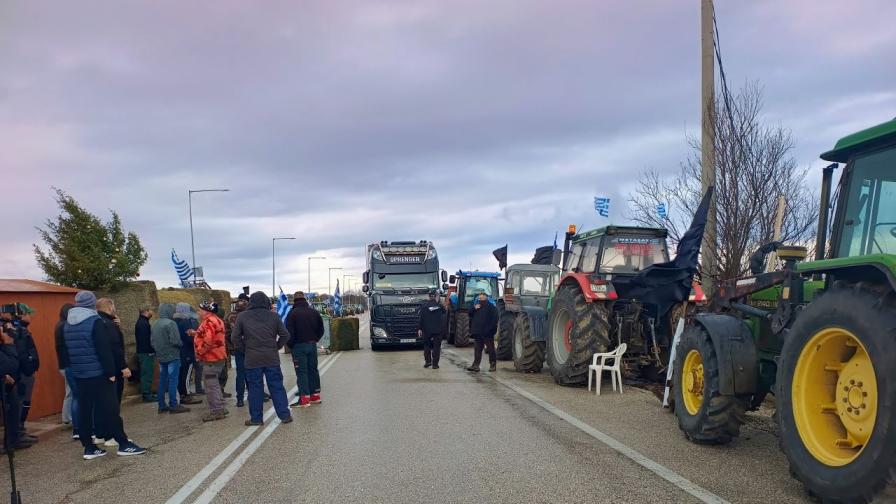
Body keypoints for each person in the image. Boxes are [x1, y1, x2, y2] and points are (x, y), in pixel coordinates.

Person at [64, 291, 146, 459]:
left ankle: (89, 447)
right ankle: (123, 443)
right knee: (110, 409)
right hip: (98, 373)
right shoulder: (95, 322)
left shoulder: (68, 324)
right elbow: (103, 349)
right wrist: (111, 373)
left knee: (85, 411)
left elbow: (68, 350)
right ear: (91, 304)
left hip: (80, 373)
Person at [231, 291, 292, 426]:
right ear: (266, 302)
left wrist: (244, 349)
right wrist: (276, 346)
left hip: (252, 357)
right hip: (271, 357)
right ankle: (284, 415)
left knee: (255, 388)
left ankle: (256, 418)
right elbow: (285, 335)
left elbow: (234, 337)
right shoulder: (274, 316)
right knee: (277, 387)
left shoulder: (242, 316)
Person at [96, 298, 131, 448]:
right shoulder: (108, 325)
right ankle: (112, 435)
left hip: (100, 369)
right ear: (109, 307)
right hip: (113, 370)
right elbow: (115, 347)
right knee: (113, 404)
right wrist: (123, 367)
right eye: (114, 306)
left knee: (101, 404)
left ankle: (100, 434)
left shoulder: (98, 322)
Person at [190, 301, 228, 422]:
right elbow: (212, 335)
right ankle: (220, 407)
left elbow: (208, 340)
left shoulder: (208, 322)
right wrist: (196, 334)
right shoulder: (217, 320)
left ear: (206, 311)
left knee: (211, 386)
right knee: (215, 384)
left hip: (211, 358)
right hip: (218, 356)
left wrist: (199, 352)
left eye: (200, 310)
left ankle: (216, 411)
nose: (198, 312)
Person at [285, 292, 324, 408]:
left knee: (301, 372)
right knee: (313, 370)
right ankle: (315, 396)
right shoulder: (314, 312)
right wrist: (315, 339)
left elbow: (288, 332)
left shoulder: (292, 314)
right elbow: (321, 329)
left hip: (298, 346)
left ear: (294, 300)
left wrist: (291, 345)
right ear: (305, 299)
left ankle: (304, 399)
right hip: (312, 345)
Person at [151, 303, 189, 414]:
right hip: (173, 356)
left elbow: (152, 342)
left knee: (162, 381)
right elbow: (175, 341)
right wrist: (181, 344)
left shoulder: (155, 324)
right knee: (173, 380)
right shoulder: (171, 323)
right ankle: (174, 404)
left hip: (161, 356)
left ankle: (161, 405)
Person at [0, 317, 31, 452]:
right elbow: (10, 365)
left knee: (14, 408)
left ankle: (12, 441)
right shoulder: (6, 344)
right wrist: (8, 344)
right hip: (6, 377)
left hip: (7, 381)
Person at [12, 305, 40, 442]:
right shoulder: (19, 331)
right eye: (28, 314)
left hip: (25, 373)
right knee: (22, 401)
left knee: (24, 402)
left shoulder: (22, 330)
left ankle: (20, 430)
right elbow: (22, 354)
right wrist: (29, 369)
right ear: (20, 315)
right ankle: (18, 433)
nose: (30, 317)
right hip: (23, 374)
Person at [55, 303, 79, 440]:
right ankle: (69, 418)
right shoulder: (65, 326)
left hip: (63, 364)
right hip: (68, 364)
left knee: (70, 392)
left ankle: (67, 417)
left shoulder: (59, 325)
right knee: (73, 394)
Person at [174, 303, 203, 405]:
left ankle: (183, 393)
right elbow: (190, 338)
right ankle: (186, 395)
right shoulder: (185, 321)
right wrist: (197, 337)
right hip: (187, 351)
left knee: (181, 374)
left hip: (179, 352)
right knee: (186, 375)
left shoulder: (175, 321)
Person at [226, 293, 250, 407]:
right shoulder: (249, 316)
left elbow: (226, 334)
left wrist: (231, 347)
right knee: (251, 372)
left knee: (240, 374)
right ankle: (252, 395)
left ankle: (239, 399)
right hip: (250, 348)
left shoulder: (229, 316)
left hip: (237, 348)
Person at [466, 291, 499, 373]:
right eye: (480, 296)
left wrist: (490, 329)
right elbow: (469, 313)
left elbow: (495, 319)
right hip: (478, 332)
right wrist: (474, 308)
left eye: (483, 295)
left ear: (486, 297)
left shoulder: (491, 307)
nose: (481, 297)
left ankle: (493, 365)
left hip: (488, 333)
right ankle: (476, 365)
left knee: (490, 349)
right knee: (477, 349)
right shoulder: (476, 305)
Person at [417, 290, 446, 370]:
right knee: (436, 347)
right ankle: (435, 364)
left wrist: (419, 328)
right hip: (438, 330)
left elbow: (421, 319)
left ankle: (428, 362)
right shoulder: (440, 306)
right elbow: (444, 313)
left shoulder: (424, 306)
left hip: (427, 329)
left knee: (427, 346)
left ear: (429, 296)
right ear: (435, 296)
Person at [134, 307, 156, 402]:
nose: (152, 312)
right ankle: (146, 395)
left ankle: (147, 393)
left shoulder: (143, 322)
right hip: (146, 352)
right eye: (151, 310)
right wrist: (151, 350)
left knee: (146, 373)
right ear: (146, 311)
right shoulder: (143, 324)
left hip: (144, 352)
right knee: (147, 374)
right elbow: (146, 340)